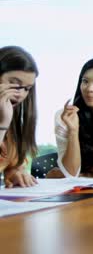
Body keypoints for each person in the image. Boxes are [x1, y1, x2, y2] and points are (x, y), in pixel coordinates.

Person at [0, 46, 39, 187]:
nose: (21, 94)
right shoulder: (5, 119)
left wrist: (14, 171)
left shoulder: (11, 119)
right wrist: (2, 124)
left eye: (27, 88)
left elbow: (12, 166)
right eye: (15, 84)